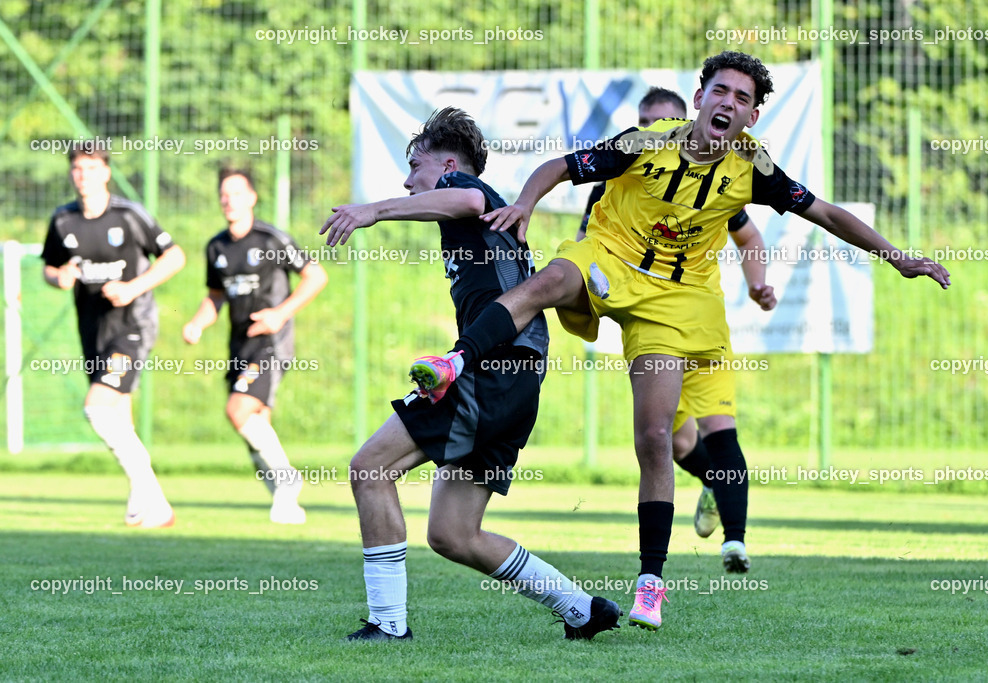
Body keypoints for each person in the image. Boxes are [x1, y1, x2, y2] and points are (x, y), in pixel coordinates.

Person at [408, 51, 951, 632]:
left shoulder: (753, 167)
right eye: (720, 91)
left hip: (673, 302)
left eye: (742, 99)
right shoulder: (645, 143)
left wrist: (898, 258)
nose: (728, 103)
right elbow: (560, 166)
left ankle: (650, 585)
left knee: (655, 435)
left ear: (752, 116)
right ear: (699, 98)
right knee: (549, 281)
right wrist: (524, 203)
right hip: (608, 257)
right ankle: (456, 361)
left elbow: (825, 213)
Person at [320, 107, 622, 641]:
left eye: (416, 165)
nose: (408, 179)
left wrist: (374, 211)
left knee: (370, 467)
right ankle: (582, 608)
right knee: (454, 534)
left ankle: (388, 625)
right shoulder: (474, 221)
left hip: (492, 372)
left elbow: (468, 196)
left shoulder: (468, 194)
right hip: (512, 377)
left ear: (450, 163)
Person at [578, 86, 778, 555]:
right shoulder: (621, 179)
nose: (652, 131)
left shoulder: (717, 183)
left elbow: (749, 237)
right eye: (645, 121)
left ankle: (736, 541)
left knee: (717, 428)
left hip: (697, 323)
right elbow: (589, 248)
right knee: (675, 440)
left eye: (661, 121)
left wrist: (758, 285)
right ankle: (714, 483)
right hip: (649, 325)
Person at [42, 141, 186, 528]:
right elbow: (50, 267)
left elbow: (175, 256)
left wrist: (133, 289)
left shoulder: (129, 215)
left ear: (106, 172)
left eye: (91, 168)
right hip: (92, 330)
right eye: (77, 168)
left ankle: (153, 500)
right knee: (119, 418)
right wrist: (59, 277)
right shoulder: (61, 220)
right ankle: (144, 501)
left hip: (133, 325)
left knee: (98, 406)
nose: (83, 176)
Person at [183, 168, 327, 524]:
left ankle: (288, 482)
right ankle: (285, 504)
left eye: (236, 192)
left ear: (252, 198)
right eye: (224, 194)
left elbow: (316, 275)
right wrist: (197, 322)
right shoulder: (216, 246)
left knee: (238, 411)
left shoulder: (270, 239)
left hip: (271, 343)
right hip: (239, 347)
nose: (229, 200)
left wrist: (280, 313)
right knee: (256, 425)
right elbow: (215, 296)